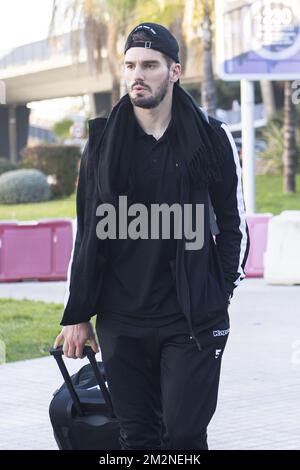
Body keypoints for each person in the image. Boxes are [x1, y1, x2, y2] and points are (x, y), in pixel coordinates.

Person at [54, 22, 250, 450]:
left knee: (182, 433)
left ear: (174, 71)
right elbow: (87, 231)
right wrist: (78, 313)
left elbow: (234, 224)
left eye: (149, 65)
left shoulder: (211, 139)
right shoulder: (103, 142)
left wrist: (217, 294)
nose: (136, 75)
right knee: (137, 437)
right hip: (121, 318)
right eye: (129, 65)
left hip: (190, 317)